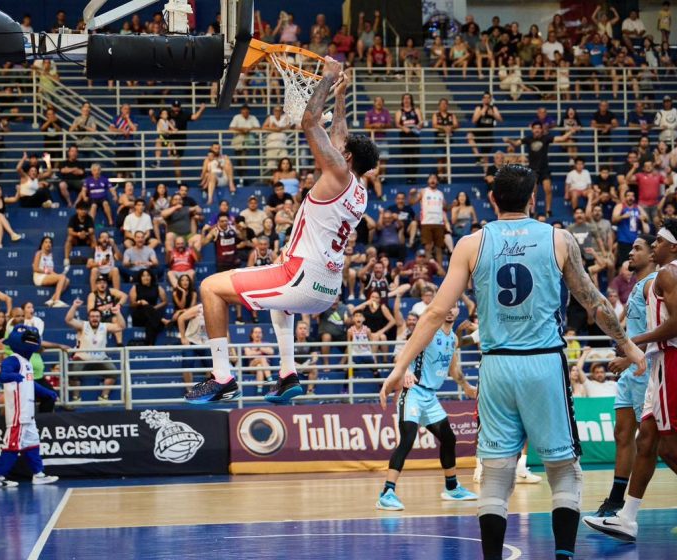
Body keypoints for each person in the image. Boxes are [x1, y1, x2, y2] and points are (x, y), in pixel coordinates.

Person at [380, 165, 645, 560]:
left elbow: (434, 313)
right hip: (543, 363)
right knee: (564, 471)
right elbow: (595, 302)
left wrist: (399, 367)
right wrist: (627, 345)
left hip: (496, 367)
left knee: (496, 473)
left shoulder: (470, 244)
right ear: (534, 198)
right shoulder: (558, 239)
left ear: (491, 200)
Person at [185, 59, 378, 404]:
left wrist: (328, 77)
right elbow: (340, 136)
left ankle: (222, 377)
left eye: (342, 150)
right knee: (280, 304)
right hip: (327, 287)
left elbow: (310, 121)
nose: (337, 147)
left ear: (346, 158)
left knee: (210, 288)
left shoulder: (337, 172)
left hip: (302, 277)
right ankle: (288, 375)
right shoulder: (360, 190)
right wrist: (341, 97)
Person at [586, 219, 677, 541]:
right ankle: (626, 519)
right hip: (666, 361)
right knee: (646, 444)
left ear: (674, 247)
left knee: (674, 448)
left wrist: (636, 342)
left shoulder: (669, 274)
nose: (654, 245)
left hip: (671, 361)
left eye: (658, 241)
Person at [377, 307, 477, 510]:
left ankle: (452, 488)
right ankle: (387, 493)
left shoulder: (453, 339)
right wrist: (405, 370)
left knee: (449, 438)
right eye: (447, 306)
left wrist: (466, 387)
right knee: (407, 439)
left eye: (454, 307)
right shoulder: (429, 331)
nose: (449, 311)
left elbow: (453, 369)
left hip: (430, 397)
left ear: (457, 311)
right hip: (413, 392)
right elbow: (402, 354)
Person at [0, 324, 60, 488]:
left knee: (32, 443)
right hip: (17, 414)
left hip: (28, 413)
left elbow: (31, 384)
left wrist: (47, 392)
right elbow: (2, 375)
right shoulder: (12, 359)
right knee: (12, 445)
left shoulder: (27, 363)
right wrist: (11, 376)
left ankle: (38, 475)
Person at [504, 122, 578, 217]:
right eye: (535, 128)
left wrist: (570, 132)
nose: (537, 130)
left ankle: (548, 211)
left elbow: (562, 139)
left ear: (541, 129)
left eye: (539, 128)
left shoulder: (546, 138)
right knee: (533, 191)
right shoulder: (528, 139)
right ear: (532, 130)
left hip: (544, 169)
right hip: (532, 170)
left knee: (548, 190)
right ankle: (532, 211)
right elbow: (516, 143)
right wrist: (509, 141)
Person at [65, 299, 126, 403]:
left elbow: (121, 326)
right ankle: (76, 398)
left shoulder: (104, 326)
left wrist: (118, 313)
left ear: (100, 318)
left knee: (114, 373)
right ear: (89, 318)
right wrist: (74, 306)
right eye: (92, 316)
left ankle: (104, 397)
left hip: (100, 358)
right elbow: (68, 320)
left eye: (97, 316)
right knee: (72, 373)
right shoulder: (83, 325)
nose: (95, 318)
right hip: (82, 358)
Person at [33, 236, 70, 308]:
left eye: (50, 242)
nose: (48, 244)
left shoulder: (50, 255)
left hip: (47, 276)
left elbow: (51, 271)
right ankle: (57, 301)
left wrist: (58, 275)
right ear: (42, 244)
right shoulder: (39, 253)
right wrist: (46, 271)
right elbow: (35, 268)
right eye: (46, 242)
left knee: (67, 280)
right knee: (62, 277)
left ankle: (51, 300)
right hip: (39, 276)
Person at [64, 201, 96, 269]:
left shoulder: (89, 218)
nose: (83, 211)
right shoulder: (73, 218)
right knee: (69, 238)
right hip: (76, 239)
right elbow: (70, 231)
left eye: (85, 209)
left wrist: (86, 234)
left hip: (86, 239)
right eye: (81, 209)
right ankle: (66, 259)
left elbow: (91, 230)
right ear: (77, 210)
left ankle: (94, 257)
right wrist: (78, 234)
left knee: (93, 237)